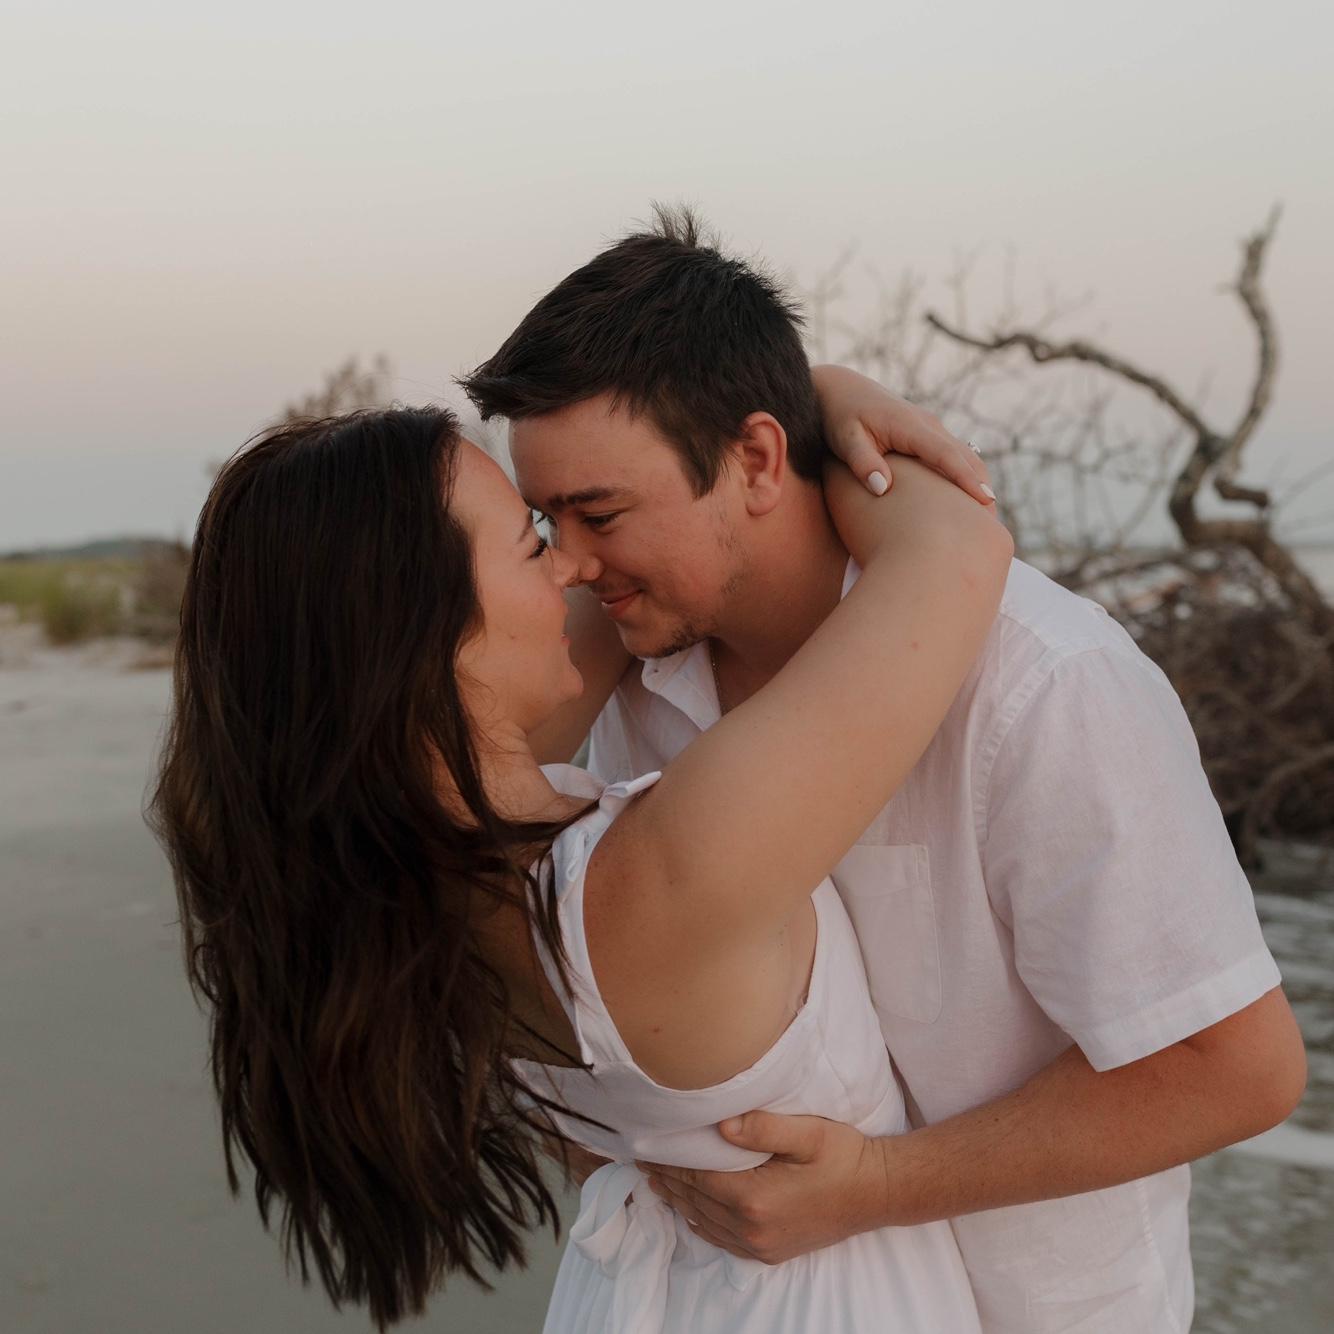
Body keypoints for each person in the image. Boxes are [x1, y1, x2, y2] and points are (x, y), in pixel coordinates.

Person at [461, 207, 1309, 1333]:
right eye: (545, 519)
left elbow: (1235, 1068)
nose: (569, 562)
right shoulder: (637, 662)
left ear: (757, 459)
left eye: (599, 512)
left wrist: (874, 1187)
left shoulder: (1045, 684)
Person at [152, 395, 1013, 1331]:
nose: (573, 565)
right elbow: (958, 551)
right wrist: (813, 400)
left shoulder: (390, 875)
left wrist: (745, 400)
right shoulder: (665, 872)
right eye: (533, 545)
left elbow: (613, 605)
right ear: (426, 631)